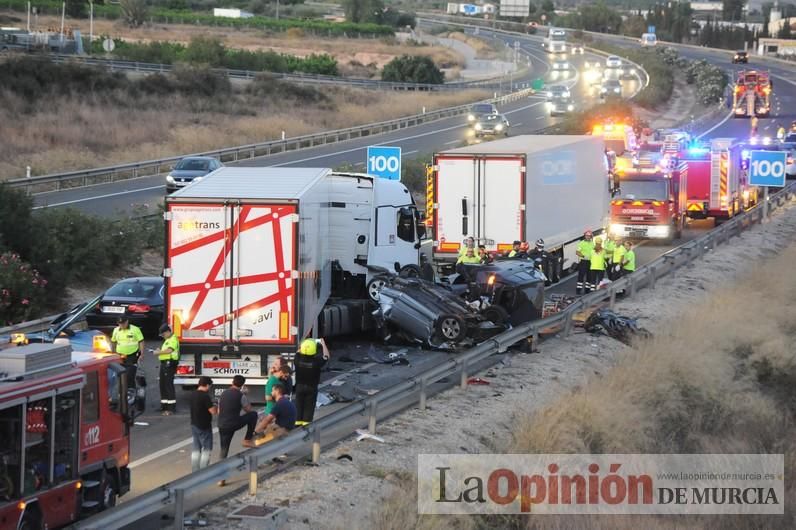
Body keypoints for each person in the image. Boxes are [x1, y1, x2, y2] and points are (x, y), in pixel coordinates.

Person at [217, 375, 258, 485]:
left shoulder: (223, 394)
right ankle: (247, 439)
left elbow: (219, 410)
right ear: (242, 385)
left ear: (232, 382)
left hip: (222, 425)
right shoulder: (240, 395)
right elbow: (248, 409)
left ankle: (221, 478)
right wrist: (244, 395)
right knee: (253, 415)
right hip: (234, 423)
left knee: (224, 451)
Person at [294, 337, 330, 424]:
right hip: (311, 387)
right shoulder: (316, 362)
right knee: (309, 407)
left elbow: (298, 351)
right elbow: (326, 356)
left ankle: (297, 423)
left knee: (298, 405)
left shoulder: (297, 359)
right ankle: (306, 424)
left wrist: (304, 343)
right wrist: (323, 344)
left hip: (299, 386)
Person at [189, 376, 217, 472]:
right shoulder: (205, 396)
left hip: (194, 423)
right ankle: (204, 470)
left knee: (196, 448)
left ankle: (195, 470)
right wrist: (216, 406)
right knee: (207, 448)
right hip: (204, 425)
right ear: (207, 385)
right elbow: (213, 411)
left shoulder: (193, 394)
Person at [151, 324, 179, 415]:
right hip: (164, 363)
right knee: (162, 384)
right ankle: (164, 406)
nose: (162, 336)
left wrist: (158, 352)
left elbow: (169, 350)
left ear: (167, 332)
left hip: (169, 363)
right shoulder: (167, 340)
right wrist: (159, 350)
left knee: (168, 385)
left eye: (163, 334)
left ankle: (171, 408)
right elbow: (165, 350)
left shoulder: (173, 339)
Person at [110, 317, 144, 390]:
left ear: (127, 321)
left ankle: (131, 393)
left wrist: (142, 354)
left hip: (132, 356)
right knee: (119, 376)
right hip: (119, 356)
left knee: (130, 376)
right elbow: (113, 341)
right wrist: (112, 353)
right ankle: (121, 393)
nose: (122, 325)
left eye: (123, 323)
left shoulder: (135, 329)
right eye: (120, 324)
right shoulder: (116, 330)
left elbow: (141, 341)